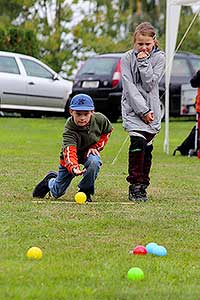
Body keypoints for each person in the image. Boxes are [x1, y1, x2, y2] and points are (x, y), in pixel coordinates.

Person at [33, 94, 113, 202]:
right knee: (57, 192)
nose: (82, 118)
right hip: (70, 158)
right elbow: (69, 150)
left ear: (92, 111)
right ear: (71, 112)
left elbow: (108, 131)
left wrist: (96, 147)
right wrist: (74, 167)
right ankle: (49, 181)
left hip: (88, 153)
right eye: (78, 114)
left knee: (94, 162)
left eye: (86, 114)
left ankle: (85, 191)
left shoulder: (100, 119)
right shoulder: (69, 128)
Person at [121, 22, 165, 202]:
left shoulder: (160, 58)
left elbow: (149, 84)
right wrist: (142, 111)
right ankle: (135, 186)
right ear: (134, 42)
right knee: (137, 143)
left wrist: (143, 61)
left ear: (154, 42)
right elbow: (129, 86)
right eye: (140, 44)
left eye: (147, 43)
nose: (144, 47)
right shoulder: (125, 58)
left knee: (147, 149)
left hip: (152, 112)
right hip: (133, 109)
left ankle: (143, 184)